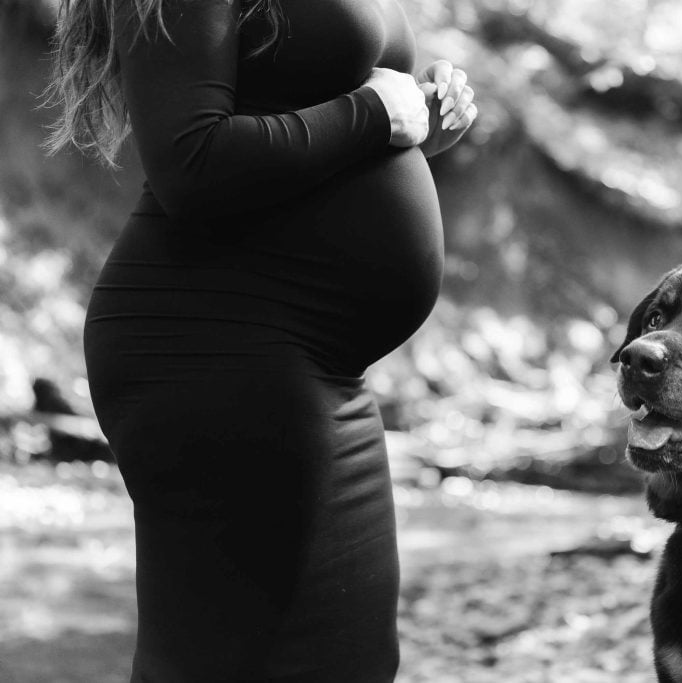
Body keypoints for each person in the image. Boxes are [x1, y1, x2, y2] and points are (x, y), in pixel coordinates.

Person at [44, 0, 477, 680]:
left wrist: (418, 121)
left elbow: (312, 117)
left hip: (309, 364)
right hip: (218, 343)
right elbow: (191, 160)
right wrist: (372, 115)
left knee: (346, 659)